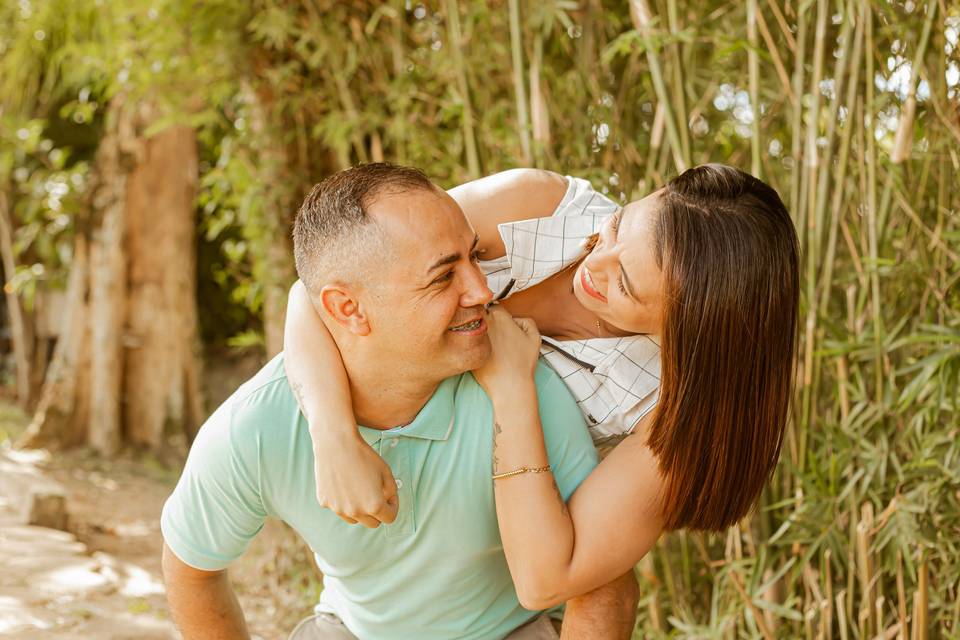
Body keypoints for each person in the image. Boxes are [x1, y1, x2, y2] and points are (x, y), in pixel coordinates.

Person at [284, 163, 800, 607]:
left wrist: (512, 387)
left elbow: (544, 579)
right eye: (618, 227)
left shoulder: (672, 416)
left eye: (624, 283)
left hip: (471, 547)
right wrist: (333, 438)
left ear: (690, 326)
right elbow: (326, 283)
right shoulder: (543, 206)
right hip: (364, 495)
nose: (593, 263)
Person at [160, 163, 639, 640]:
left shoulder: (524, 385)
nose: (483, 290)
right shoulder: (258, 426)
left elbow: (604, 588)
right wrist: (334, 438)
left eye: (475, 258)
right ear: (348, 309)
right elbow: (191, 567)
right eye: (442, 277)